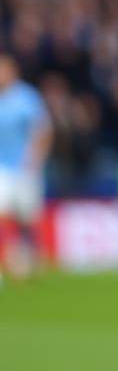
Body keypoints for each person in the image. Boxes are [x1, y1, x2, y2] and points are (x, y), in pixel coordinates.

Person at [0, 55, 52, 280]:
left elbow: (41, 129)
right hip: (3, 168)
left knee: (27, 218)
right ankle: (7, 260)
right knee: (2, 214)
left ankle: (32, 258)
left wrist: (35, 159)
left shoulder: (26, 97)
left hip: (25, 167)